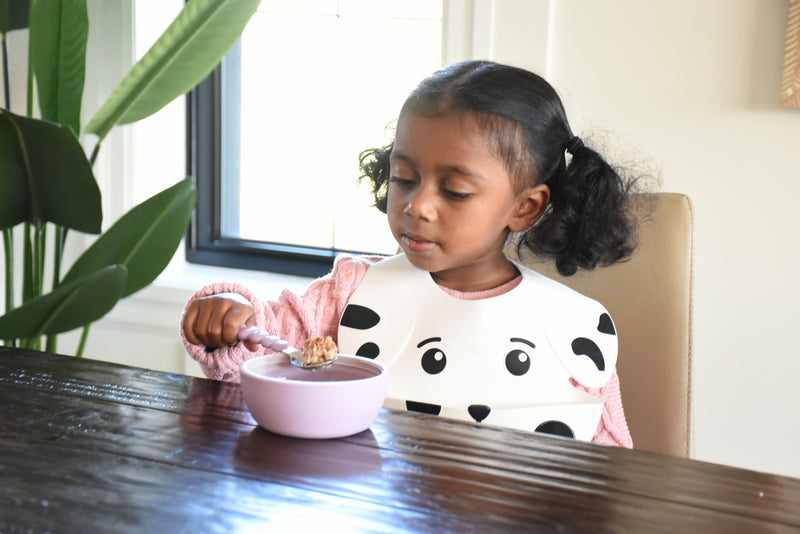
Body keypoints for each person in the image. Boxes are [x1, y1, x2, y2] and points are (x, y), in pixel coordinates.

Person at [181, 60, 638, 447]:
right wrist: (231, 314)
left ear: (524, 207)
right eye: (403, 177)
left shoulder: (574, 327)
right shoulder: (351, 292)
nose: (416, 205)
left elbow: (609, 464)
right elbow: (269, 340)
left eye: (455, 191)